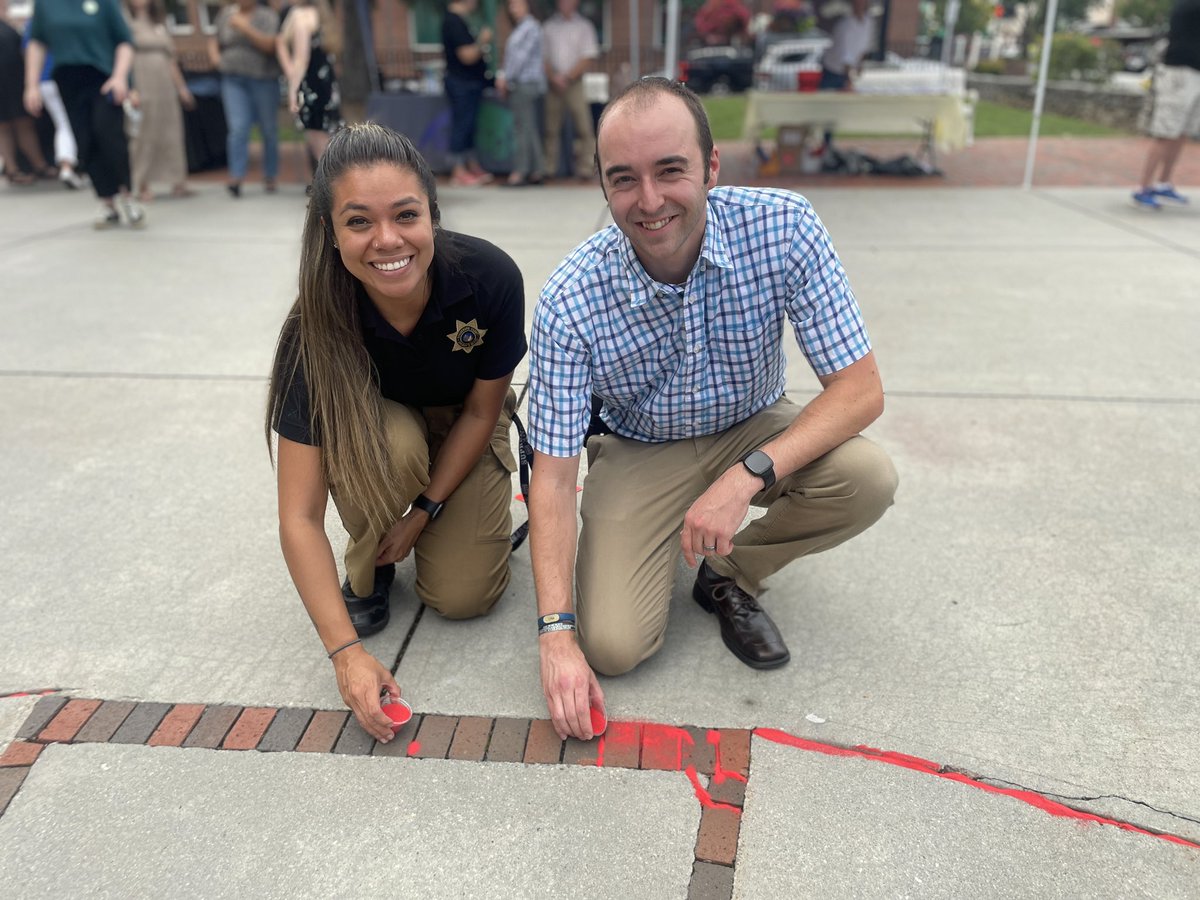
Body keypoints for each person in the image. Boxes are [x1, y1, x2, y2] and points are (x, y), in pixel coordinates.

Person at [526, 78, 898, 741]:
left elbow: (860, 388)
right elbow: (551, 476)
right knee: (611, 646)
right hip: (641, 446)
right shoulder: (568, 300)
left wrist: (748, 473)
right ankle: (663, 538)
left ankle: (728, 573)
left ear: (712, 167)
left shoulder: (783, 227)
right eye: (624, 179)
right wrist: (556, 636)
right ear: (603, 185)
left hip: (752, 423)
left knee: (868, 478)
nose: (649, 201)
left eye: (671, 171)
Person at [265, 122, 527, 742]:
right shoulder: (315, 328)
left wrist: (425, 513)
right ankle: (371, 565)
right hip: (381, 436)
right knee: (399, 442)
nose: (387, 240)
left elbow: (480, 413)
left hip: (465, 425)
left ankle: (429, 525)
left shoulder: (490, 279)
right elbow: (297, 519)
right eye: (358, 222)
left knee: (465, 598)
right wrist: (344, 655)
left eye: (406, 215)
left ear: (432, 215)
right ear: (329, 233)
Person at [23, 0, 146, 227]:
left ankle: (128, 195)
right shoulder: (46, 5)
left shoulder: (105, 3)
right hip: (69, 81)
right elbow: (37, 43)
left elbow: (124, 41)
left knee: (108, 135)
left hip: (104, 78)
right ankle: (107, 202)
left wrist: (119, 77)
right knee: (85, 139)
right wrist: (31, 85)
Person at [1132, 0, 1200, 210]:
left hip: (1194, 73)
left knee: (1181, 132)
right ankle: (1144, 187)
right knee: (1165, 132)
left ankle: (1163, 183)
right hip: (1179, 73)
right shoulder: (1189, 5)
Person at [208, 0, 280, 197]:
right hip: (232, 79)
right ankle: (236, 177)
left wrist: (245, 27)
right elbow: (214, 39)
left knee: (269, 129)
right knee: (238, 128)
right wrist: (216, 57)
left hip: (263, 79)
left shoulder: (267, 16)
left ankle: (270, 175)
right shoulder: (226, 14)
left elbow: (270, 45)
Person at [124, 0, 194, 201]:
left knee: (171, 132)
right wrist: (130, 88)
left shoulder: (159, 23)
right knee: (143, 134)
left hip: (164, 86)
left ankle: (177, 180)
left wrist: (181, 88)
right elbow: (121, 57)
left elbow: (171, 59)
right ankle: (141, 183)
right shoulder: (125, 22)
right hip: (141, 83)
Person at [277, 0, 342, 173]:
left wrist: (293, 89)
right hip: (326, 84)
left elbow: (301, 59)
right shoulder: (321, 14)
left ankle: (329, 191)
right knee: (328, 140)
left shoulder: (299, 16)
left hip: (311, 86)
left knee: (319, 146)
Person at [541, 0, 598, 180]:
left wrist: (567, 77)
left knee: (584, 126)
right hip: (553, 83)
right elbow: (544, 58)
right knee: (550, 128)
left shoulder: (584, 26)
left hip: (575, 83)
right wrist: (554, 77)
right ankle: (549, 168)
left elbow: (588, 56)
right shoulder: (548, 27)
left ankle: (586, 168)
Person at [442, 0, 494, 186]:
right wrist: (482, 41)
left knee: (470, 126)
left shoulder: (462, 20)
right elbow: (467, 55)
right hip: (461, 83)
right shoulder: (453, 21)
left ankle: (471, 165)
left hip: (471, 83)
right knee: (462, 125)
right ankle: (458, 170)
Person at [1, 9, 54, 186]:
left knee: (21, 125)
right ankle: (15, 168)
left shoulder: (9, 26)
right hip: (10, 85)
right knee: (9, 127)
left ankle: (35, 165)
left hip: (14, 83)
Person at [496, 0, 546, 187]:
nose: (513, 8)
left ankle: (520, 172)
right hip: (524, 83)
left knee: (522, 129)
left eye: (518, 4)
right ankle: (537, 170)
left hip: (524, 84)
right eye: (511, 5)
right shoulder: (525, 27)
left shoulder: (530, 27)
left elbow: (519, 59)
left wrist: (505, 78)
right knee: (529, 127)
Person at [819, 0, 872, 91]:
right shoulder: (845, 25)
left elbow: (863, 45)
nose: (860, 5)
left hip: (846, 71)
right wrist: (848, 79)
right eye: (857, 3)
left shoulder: (868, 22)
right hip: (832, 70)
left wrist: (860, 64)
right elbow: (845, 53)